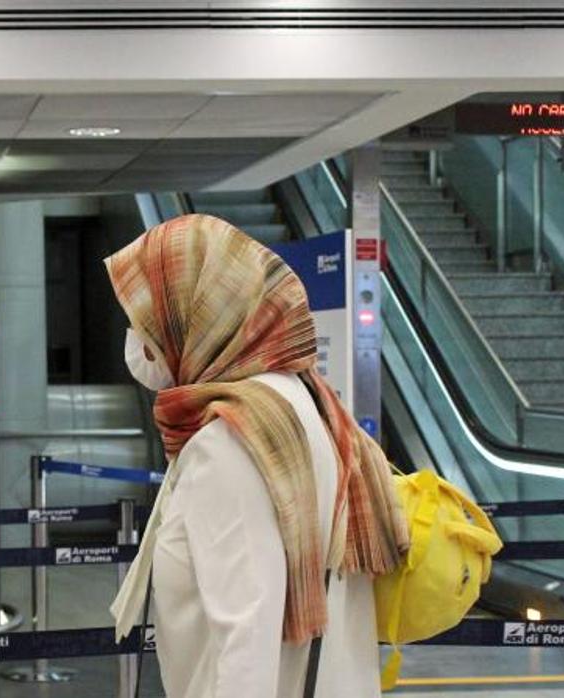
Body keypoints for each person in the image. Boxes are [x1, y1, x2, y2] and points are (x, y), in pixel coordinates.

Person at [107, 214, 409, 698]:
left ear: (197, 318)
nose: (138, 340)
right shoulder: (310, 402)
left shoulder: (229, 440)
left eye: (148, 320)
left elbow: (246, 632)